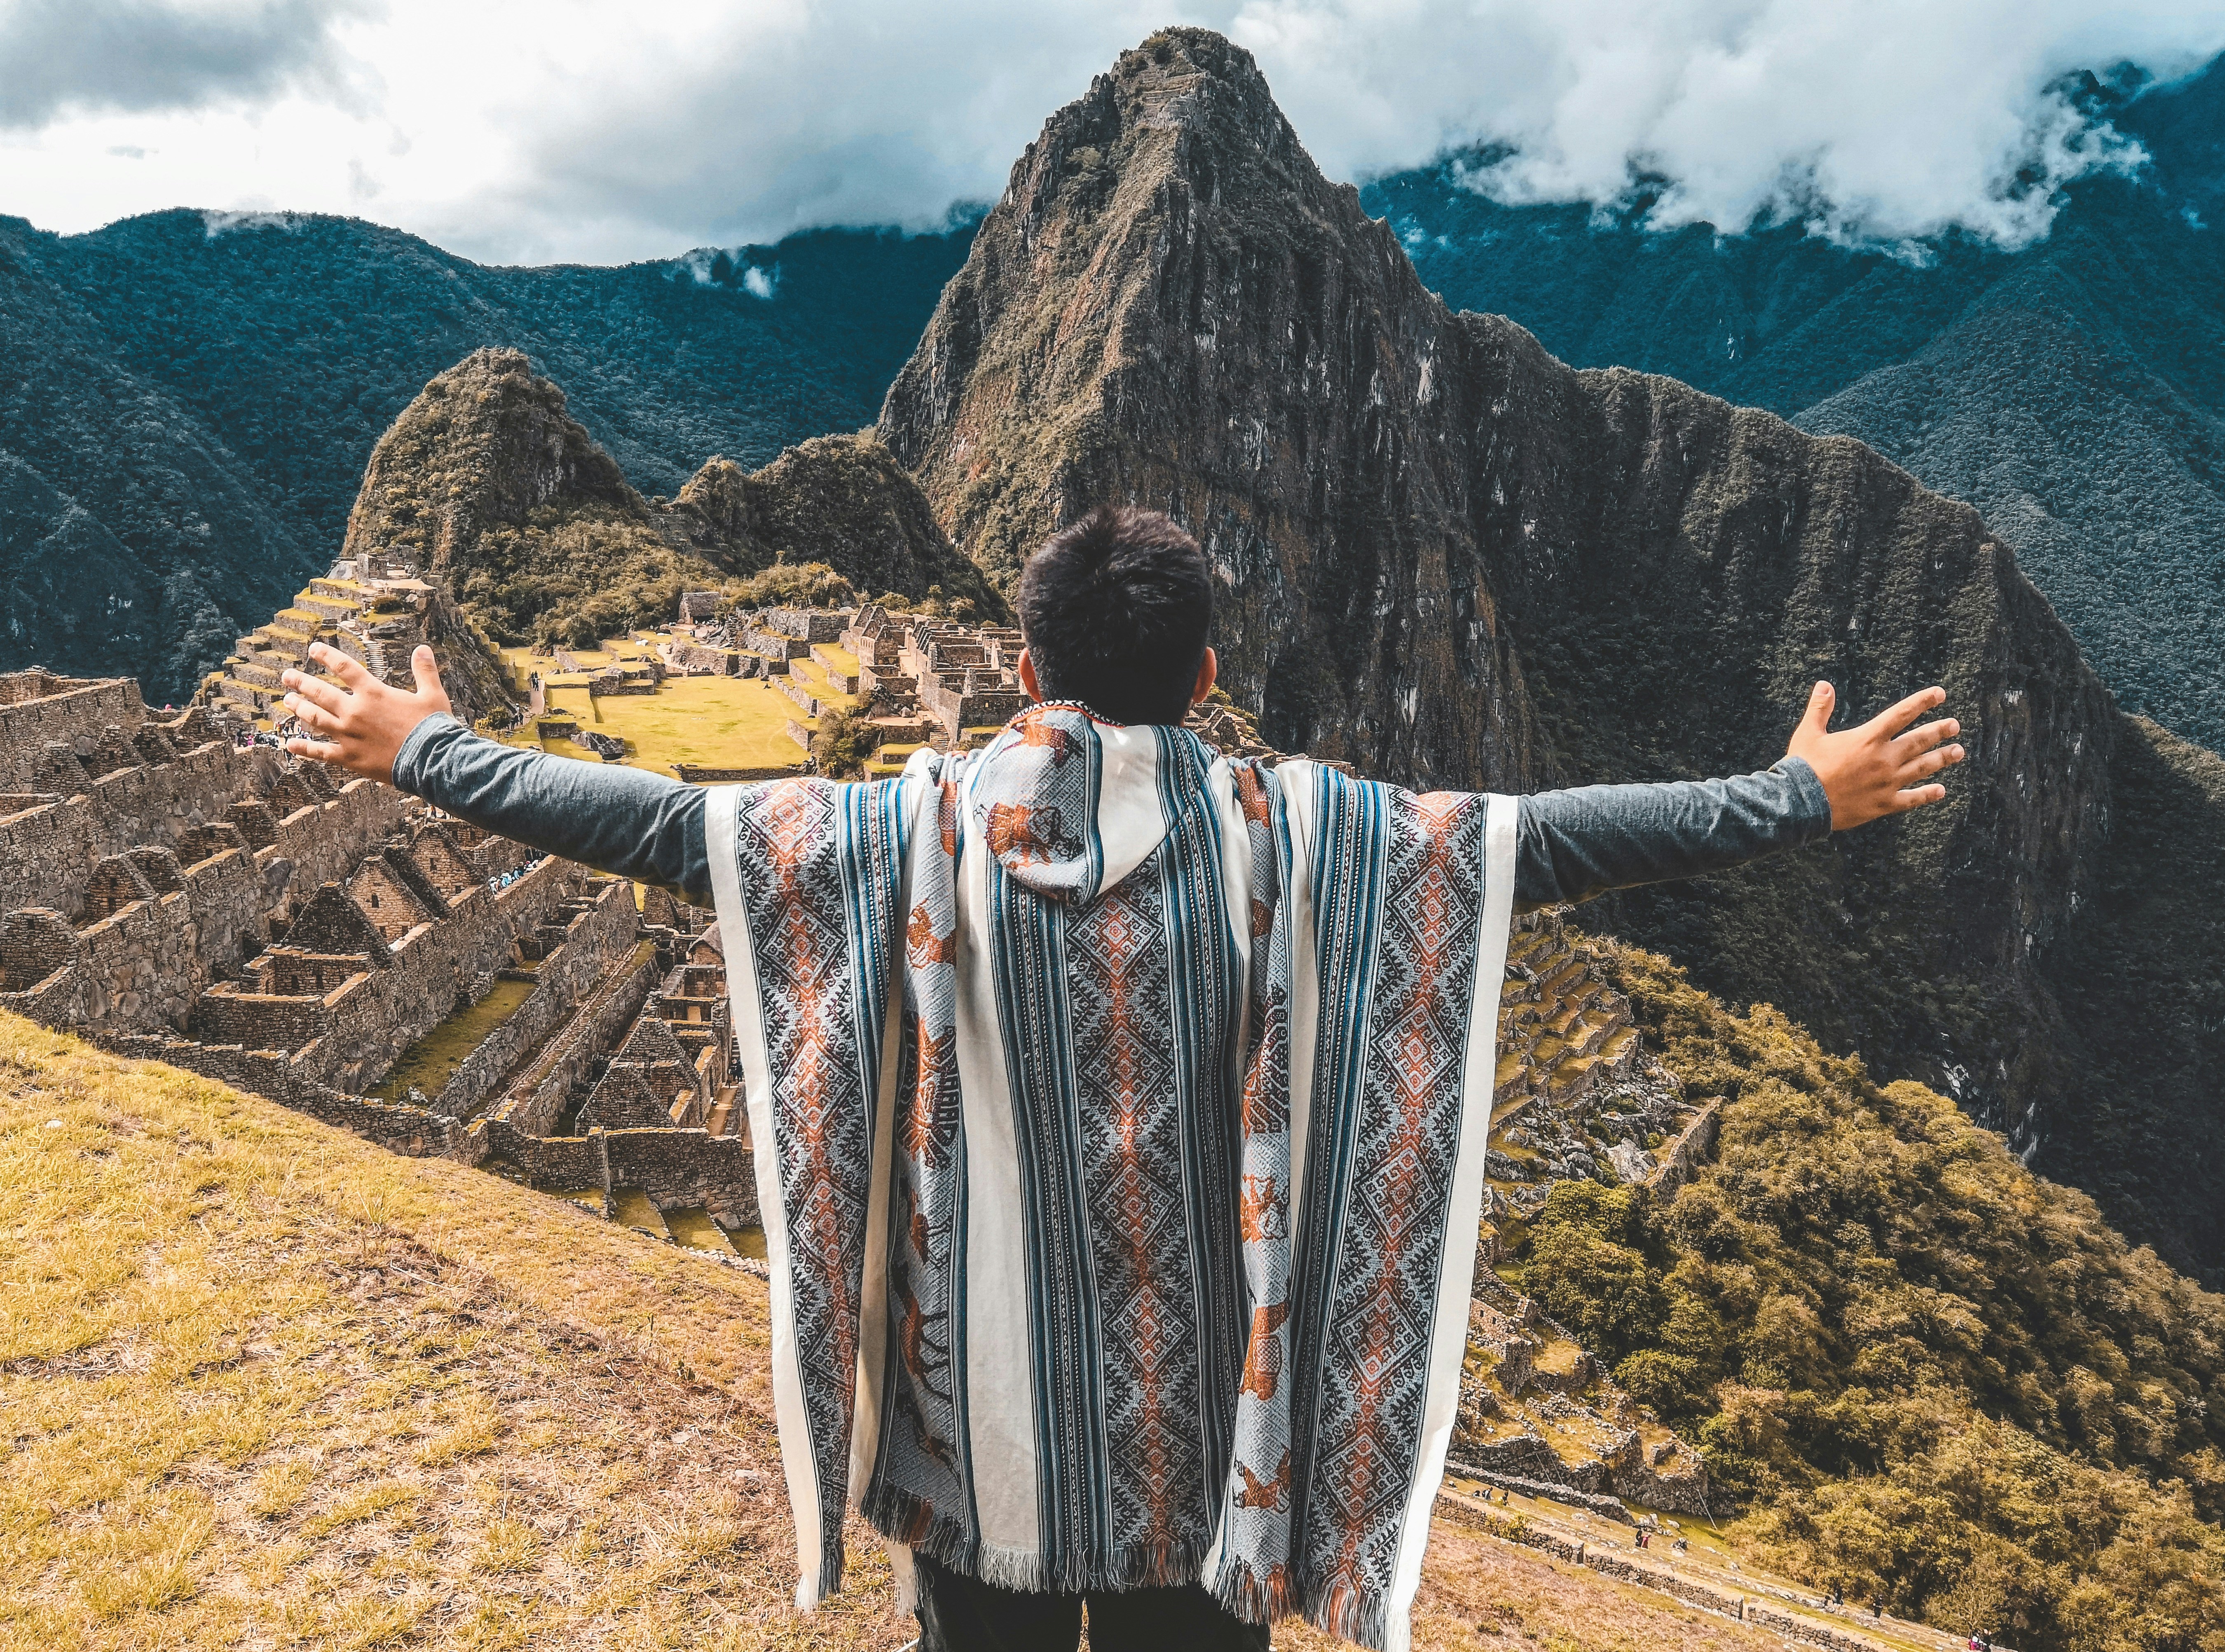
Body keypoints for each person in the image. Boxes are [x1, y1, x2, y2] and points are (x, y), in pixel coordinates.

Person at [277, 506, 1962, 1652]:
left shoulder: (903, 830)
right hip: (1199, 1453)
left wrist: (425, 747)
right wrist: (1795, 793)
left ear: (1022, 665)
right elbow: (1549, 846)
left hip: (971, 1440)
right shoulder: (1297, 837)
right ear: (1209, 677)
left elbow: (654, 827)